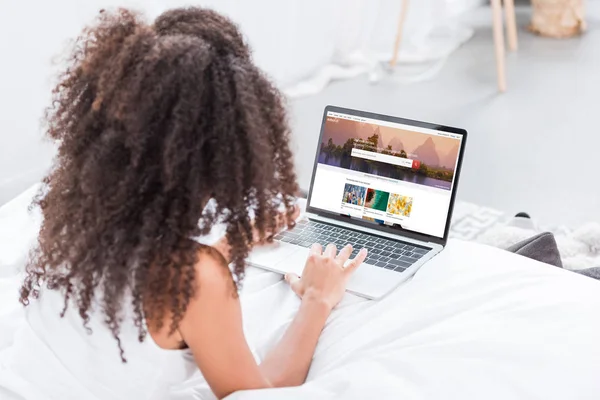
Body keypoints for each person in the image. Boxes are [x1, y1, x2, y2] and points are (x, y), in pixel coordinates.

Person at [0, 7, 367, 400]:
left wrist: (233, 244)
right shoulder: (194, 281)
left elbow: (140, 279)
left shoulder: (68, 211)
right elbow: (259, 393)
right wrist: (318, 298)